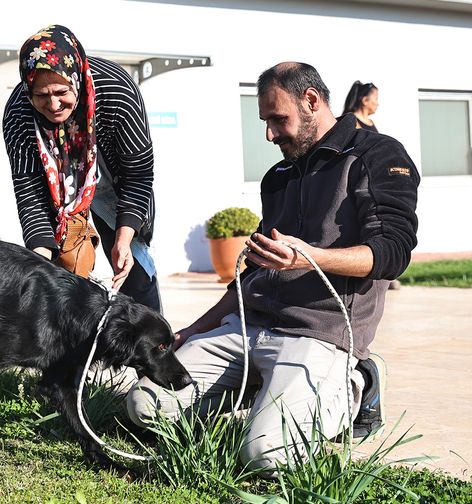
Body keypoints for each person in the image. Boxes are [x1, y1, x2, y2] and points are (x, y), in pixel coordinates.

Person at [126, 62, 420, 471]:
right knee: (145, 406)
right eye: (265, 121)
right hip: (249, 327)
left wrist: (310, 257)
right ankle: (268, 386)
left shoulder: (376, 154)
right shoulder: (278, 175)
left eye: (278, 119)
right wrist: (197, 329)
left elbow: (393, 254)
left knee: (267, 454)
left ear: (311, 101)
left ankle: (358, 384)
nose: (269, 134)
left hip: (320, 333)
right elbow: (252, 275)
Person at [2, 25, 160, 312]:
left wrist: (124, 240)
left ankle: (148, 346)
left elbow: (138, 176)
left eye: (61, 92)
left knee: (130, 266)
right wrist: (39, 259)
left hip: (115, 176)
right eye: (41, 95)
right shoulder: (19, 113)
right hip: (59, 186)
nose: (53, 104)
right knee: (57, 278)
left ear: (76, 79)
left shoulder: (116, 90)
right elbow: (30, 192)